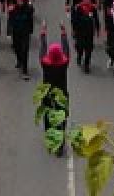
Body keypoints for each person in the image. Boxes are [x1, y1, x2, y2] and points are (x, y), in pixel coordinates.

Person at [40, 23, 72, 156]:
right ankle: (60, 143)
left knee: (48, 118)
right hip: (61, 96)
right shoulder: (64, 64)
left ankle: (50, 140)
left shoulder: (45, 64)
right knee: (61, 118)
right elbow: (66, 49)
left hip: (47, 95)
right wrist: (63, 32)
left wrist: (43, 32)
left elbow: (42, 49)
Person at [7, 0, 35, 80]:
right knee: (16, 47)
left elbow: (31, 20)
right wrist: (9, 32)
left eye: (22, 0)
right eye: (18, 0)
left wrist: (31, 30)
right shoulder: (12, 9)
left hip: (25, 32)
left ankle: (25, 71)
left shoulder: (29, 9)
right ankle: (19, 60)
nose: (20, 2)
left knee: (25, 50)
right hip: (16, 32)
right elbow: (10, 21)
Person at [70, 0, 100, 72]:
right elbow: (74, 20)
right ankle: (79, 56)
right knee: (80, 47)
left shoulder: (92, 8)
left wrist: (97, 29)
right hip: (80, 32)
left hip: (89, 32)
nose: (87, 1)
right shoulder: (78, 8)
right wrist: (73, 30)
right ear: (83, 0)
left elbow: (96, 19)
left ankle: (87, 65)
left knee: (89, 49)